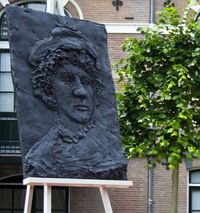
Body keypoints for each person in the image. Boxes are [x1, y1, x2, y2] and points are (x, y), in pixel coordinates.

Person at [24, 23, 127, 180]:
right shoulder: (40, 156)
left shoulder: (111, 146)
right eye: (68, 79)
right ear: (48, 88)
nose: (81, 91)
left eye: (86, 82)